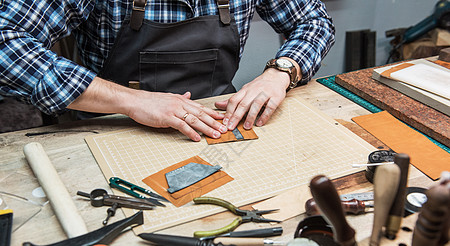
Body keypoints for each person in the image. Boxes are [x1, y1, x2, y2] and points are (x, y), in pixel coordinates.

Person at [0, 0, 335, 141]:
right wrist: (132, 101)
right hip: (108, 128)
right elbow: (5, 39)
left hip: (218, 125)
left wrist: (280, 71)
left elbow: (313, 21)